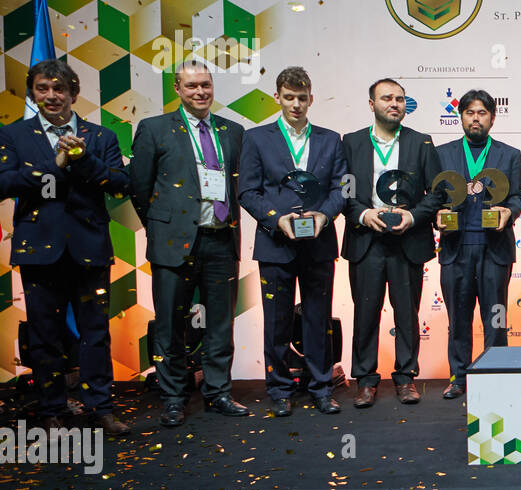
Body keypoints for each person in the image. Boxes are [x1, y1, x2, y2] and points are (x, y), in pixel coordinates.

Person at [0, 59, 130, 434]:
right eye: (43, 89)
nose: (52, 96)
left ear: (74, 93)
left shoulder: (101, 136)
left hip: (90, 247)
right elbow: (5, 184)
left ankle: (101, 409)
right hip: (39, 250)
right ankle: (51, 409)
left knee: (96, 332)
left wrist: (83, 159)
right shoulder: (14, 135)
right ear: (33, 93)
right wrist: (55, 165)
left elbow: (119, 183)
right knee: (44, 334)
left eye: (60, 89)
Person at [129, 60, 248, 427]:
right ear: (177, 90)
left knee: (220, 323)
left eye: (206, 85)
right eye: (192, 86)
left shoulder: (233, 131)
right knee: (169, 325)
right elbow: (139, 188)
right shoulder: (154, 129)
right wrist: (163, 226)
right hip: (173, 243)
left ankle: (218, 393)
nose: (200, 92)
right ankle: (173, 398)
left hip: (220, 240)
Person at [238, 66, 347, 416]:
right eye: (289, 97)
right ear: (277, 98)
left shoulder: (331, 139)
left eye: (302, 98)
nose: (296, 104)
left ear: (311, 98)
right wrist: (276, 219)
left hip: (318, 244)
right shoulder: (256, 139)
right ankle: (280, 389)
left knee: (319, 320)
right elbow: (247, 192)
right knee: (277, 322)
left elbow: (341, 189)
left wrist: (324, 215)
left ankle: (320, 387)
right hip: (275, 245)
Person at [340, 77, 442, 408]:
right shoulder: (351, 142)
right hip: (366, 240)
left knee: (407, 314)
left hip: (407, 241)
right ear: (372, 105)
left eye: (400, 98)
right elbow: (343, 193)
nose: (394, 104)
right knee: (365, 312)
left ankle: (406, 377)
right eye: (387, 98)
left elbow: (438, 192)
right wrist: (363, 214)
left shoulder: (421, 143)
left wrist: (413, 216)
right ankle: (366, 380)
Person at [434, 90, 521, 400]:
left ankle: (496, 373)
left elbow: (515, 198)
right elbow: (432, 197)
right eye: (470, 112)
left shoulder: (509, 154)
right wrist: (437, 213)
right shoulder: (441, 153)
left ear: (492, 118)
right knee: (458, 317)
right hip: (456, 247)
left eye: (482, 113)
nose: (475, 118)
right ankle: (459, 377)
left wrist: (508, 211)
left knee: (495, 315)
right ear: (460, 117)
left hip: (494, 247)